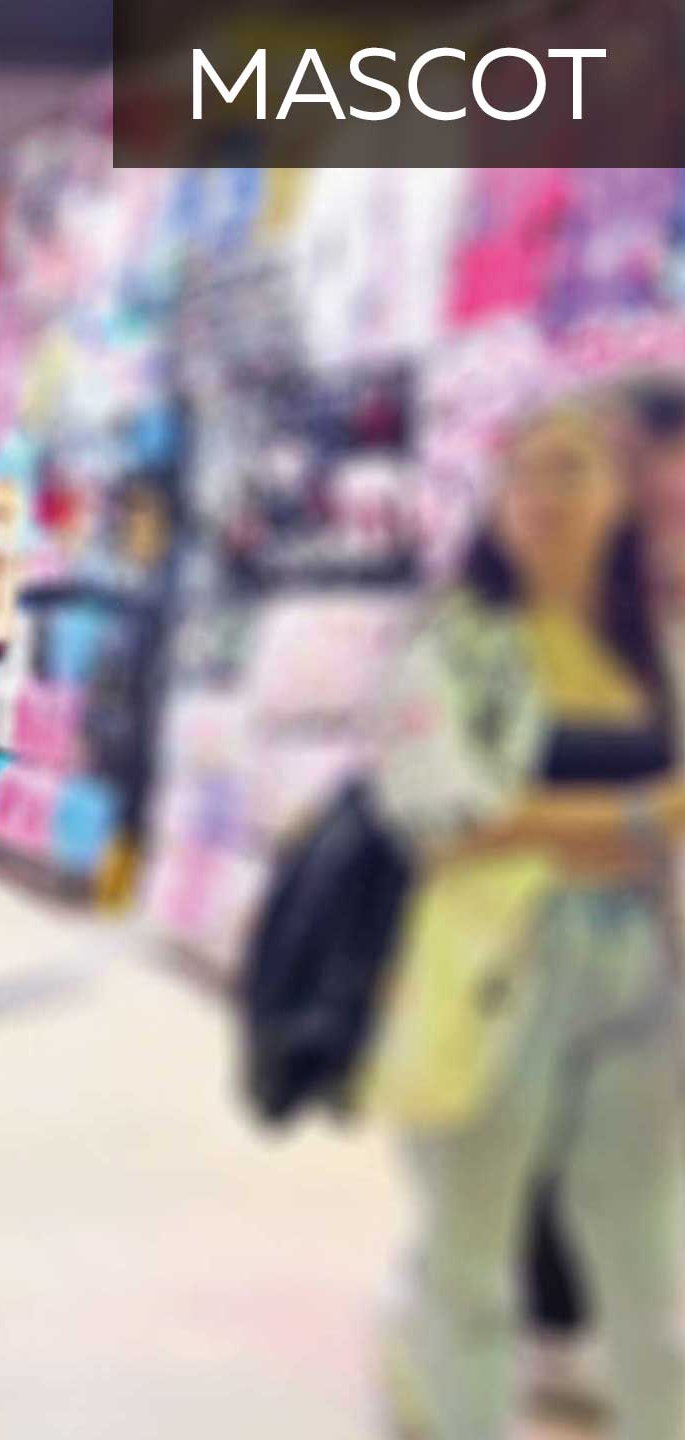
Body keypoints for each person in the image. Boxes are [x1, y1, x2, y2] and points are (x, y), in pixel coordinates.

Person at [374, 391, 685, 1440]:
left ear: (620, 497)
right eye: (524, 472)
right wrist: (643, 816)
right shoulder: (454, 644)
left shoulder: (653, 650)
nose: (544, 495)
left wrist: (550, 824)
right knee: (470, 1261)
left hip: (643, 971)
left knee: (647, 1268)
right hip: (491, 970)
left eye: (573, 469)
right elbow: (446, 813)